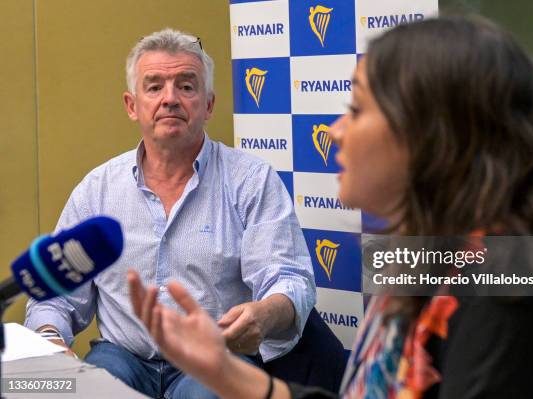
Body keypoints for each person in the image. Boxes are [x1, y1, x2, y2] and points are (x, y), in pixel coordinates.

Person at [130, 16, 533, 398]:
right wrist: (220, 371)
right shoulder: (427, 255)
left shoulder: (515, 285)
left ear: (430, 134)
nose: (336, 132)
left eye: (357, 109)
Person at [25, 28, 316, 399]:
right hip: (122, 356)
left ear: (208, 104)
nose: (170, 99)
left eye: (186, 86)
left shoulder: (252, 180)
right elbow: (55, 294)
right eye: (154, 86)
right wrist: (50, 342)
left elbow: (289, 278)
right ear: (132, 105)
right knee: (85, 391)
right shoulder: (97, 190)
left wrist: (266, 313)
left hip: (214, 356)